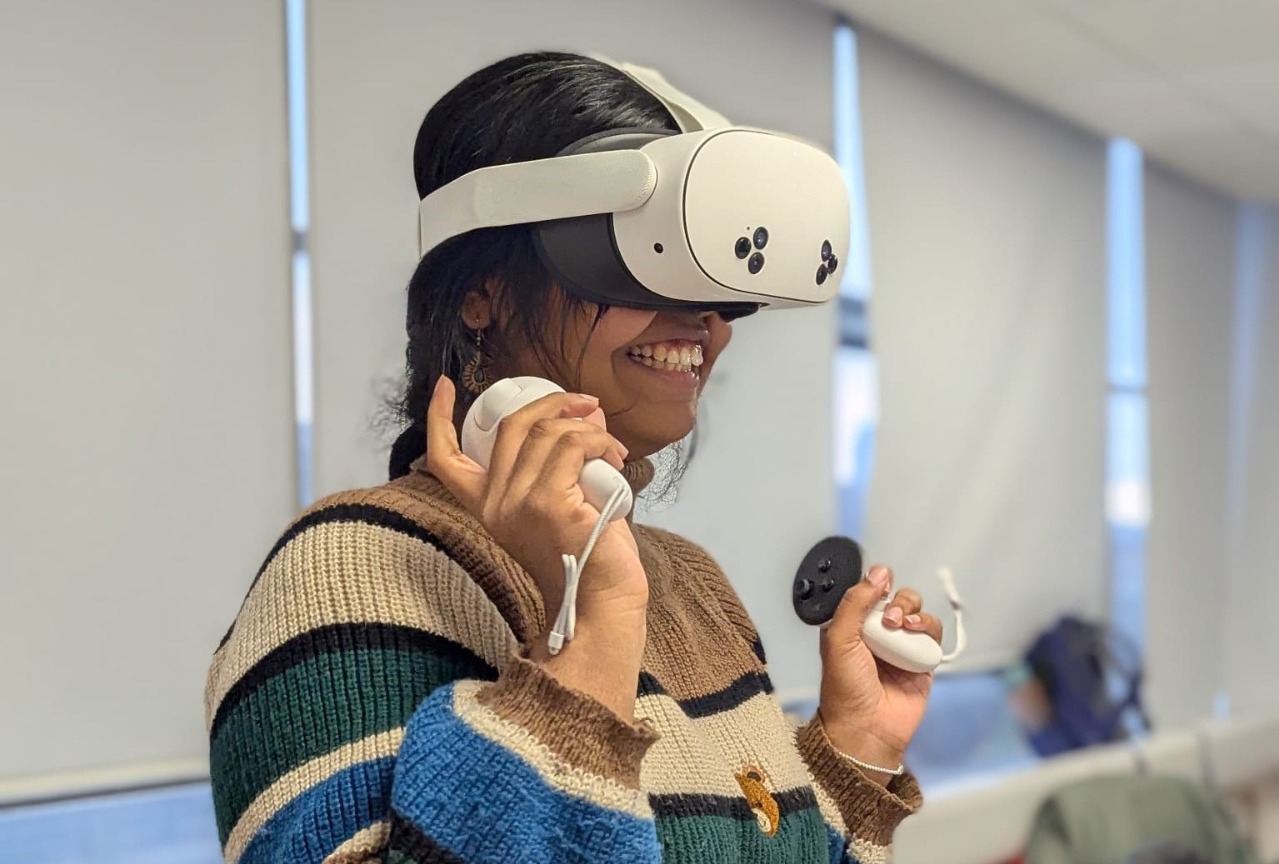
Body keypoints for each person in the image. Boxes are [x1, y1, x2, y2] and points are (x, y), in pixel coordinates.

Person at [205, 51, 945, 864]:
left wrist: (852, 751)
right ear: (480, 291)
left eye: (716, 289)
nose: (703, 322)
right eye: (642, 263)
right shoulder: (352, 568)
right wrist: (587, 648)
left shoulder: (692, 586)